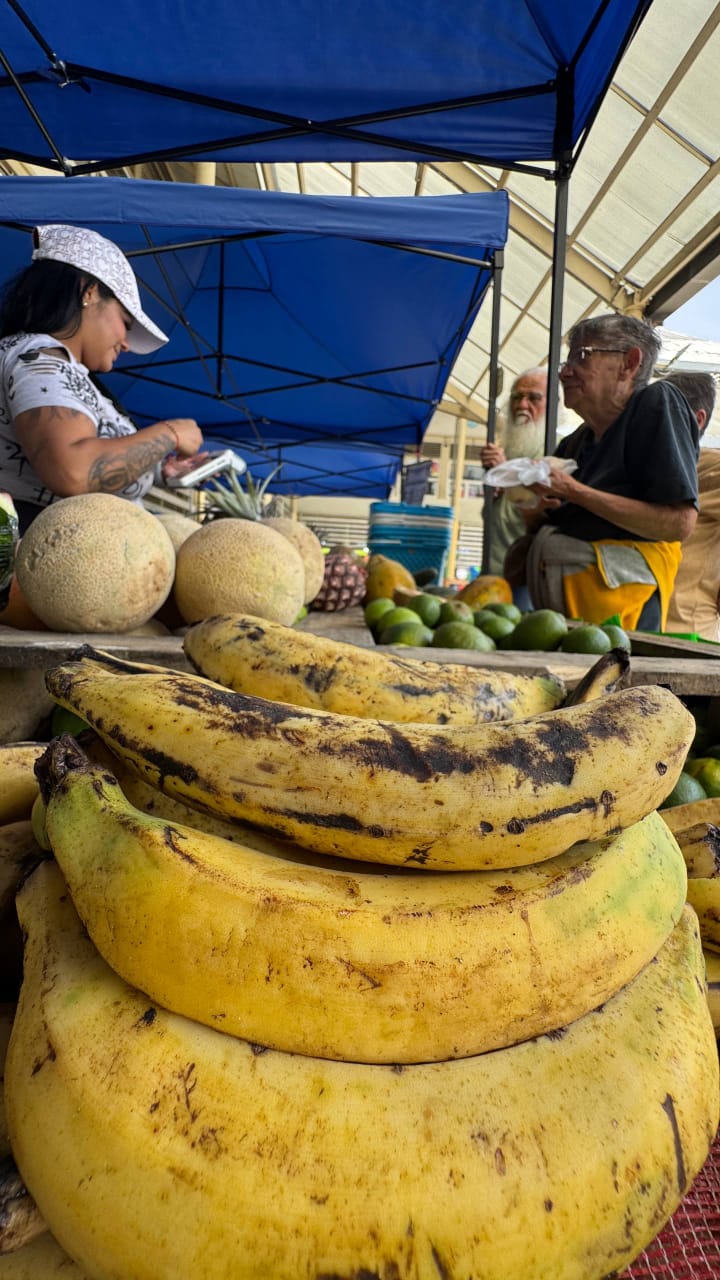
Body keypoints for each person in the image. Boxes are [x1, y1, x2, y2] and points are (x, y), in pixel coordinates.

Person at [0, 224, 205, 533]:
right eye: (125, 322)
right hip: (52, 562)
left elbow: (85, 457)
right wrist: (170, 433)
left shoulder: (58, 365)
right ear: (89, 293)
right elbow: (73, 471)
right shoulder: (39, 357)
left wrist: (157, 467)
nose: (126, 343)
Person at [515, 314, 699, 632]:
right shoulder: (576, 442)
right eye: (566, 359)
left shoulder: (656, 404)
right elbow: (548, 520)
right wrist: (536, 510)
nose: (565, 371)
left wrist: (574, 491)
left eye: (581, 356)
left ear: (629, 363)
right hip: (566, 620)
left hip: (621, 623)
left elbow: (679, 522)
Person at [480, 368, 547, 604]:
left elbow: (541, 504)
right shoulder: (507, 448)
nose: (522, 404)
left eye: (534, 398)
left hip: (526, 575)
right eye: (517, 397)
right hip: (493, 565)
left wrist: (504, 471)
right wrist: (495, 485)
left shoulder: (554, 450)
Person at [663, 371, 720, 641]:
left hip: (686, 638)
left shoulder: (713, 470)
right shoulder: (645, 466)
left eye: (660, 414)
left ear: (696, 420)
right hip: (633, 627)